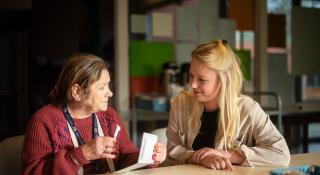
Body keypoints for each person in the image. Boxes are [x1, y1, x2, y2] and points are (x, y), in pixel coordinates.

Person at [21, 53, 166, 174]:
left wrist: (147, 158)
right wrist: (83, 153)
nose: (110, 93)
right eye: (102, 87)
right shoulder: (44, 120)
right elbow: (32, 172)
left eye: (108, 85)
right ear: (77, 92)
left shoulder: (109, 116)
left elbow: (125, 158)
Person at [166, 39, 290, 170]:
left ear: (223, 80)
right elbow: (172, 151)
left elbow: (281, 154)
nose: (192, 85)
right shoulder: (180, 103)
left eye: (202, 79)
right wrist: (200, 157)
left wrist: (228, 155)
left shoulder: (248, 109)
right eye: (191, 76)